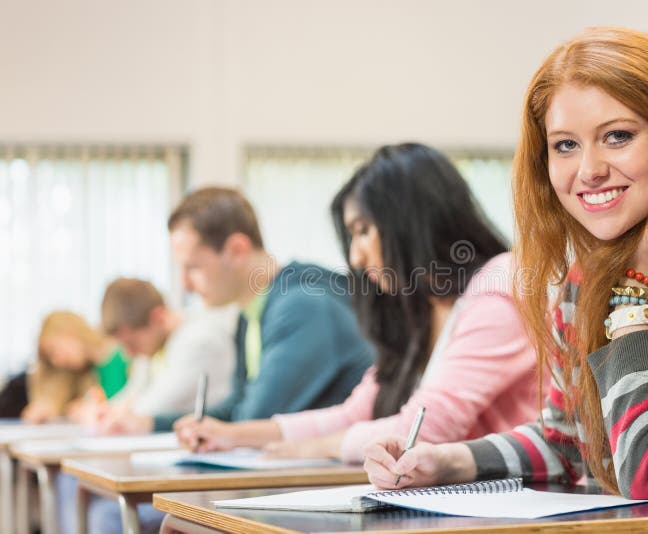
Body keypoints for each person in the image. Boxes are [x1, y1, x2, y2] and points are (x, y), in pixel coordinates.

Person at [363, 27, 648, 530]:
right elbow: (569, 444)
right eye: (565, 145)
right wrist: (446, 462)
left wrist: (641, 289)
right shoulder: (586, 272)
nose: (589, 169)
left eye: (618, 136)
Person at [176, 143, 541, 464]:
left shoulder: (497, 286)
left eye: (363, 231)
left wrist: (321, 447)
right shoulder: (422, 310)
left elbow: (426, 429)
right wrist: (232, 436)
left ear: (410, 219)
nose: (354, 256)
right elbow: (354, 414)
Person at [101, 186, 373, 435]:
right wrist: (149, 424)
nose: (185, 285)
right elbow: (236, 409)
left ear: (237, 250)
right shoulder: (250, 313)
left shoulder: (302, 307)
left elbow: (253, 418)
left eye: (192, 267)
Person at [93, 277, 236, 424]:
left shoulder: (197, 339)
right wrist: (104, 411)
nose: (130, 353)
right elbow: (132, 395)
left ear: (158, 317)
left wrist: (107, 415)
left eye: (132, 343)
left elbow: (153, 406)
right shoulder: (155, 349)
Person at [22, 311, 128, 424]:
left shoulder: (122, 353)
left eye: (54, 350)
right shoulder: (84, 373)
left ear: (69, 331)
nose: (56, 361)